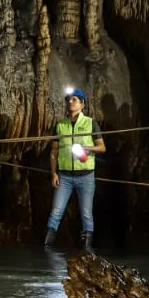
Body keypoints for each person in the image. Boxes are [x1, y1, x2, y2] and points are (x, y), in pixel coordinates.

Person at [45, 87, 105, 252]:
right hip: (64, 176)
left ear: (82, 104)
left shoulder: (90, 123)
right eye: (68, 100)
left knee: (86, 212)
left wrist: (86, 148)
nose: (70, 102)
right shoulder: (60, 125)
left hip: (85, 176)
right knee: (56, 211)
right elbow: (53, 151)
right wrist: (53, 173)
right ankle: (47, 246)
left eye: (74, 100)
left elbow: (102, 147)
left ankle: (87, 247)